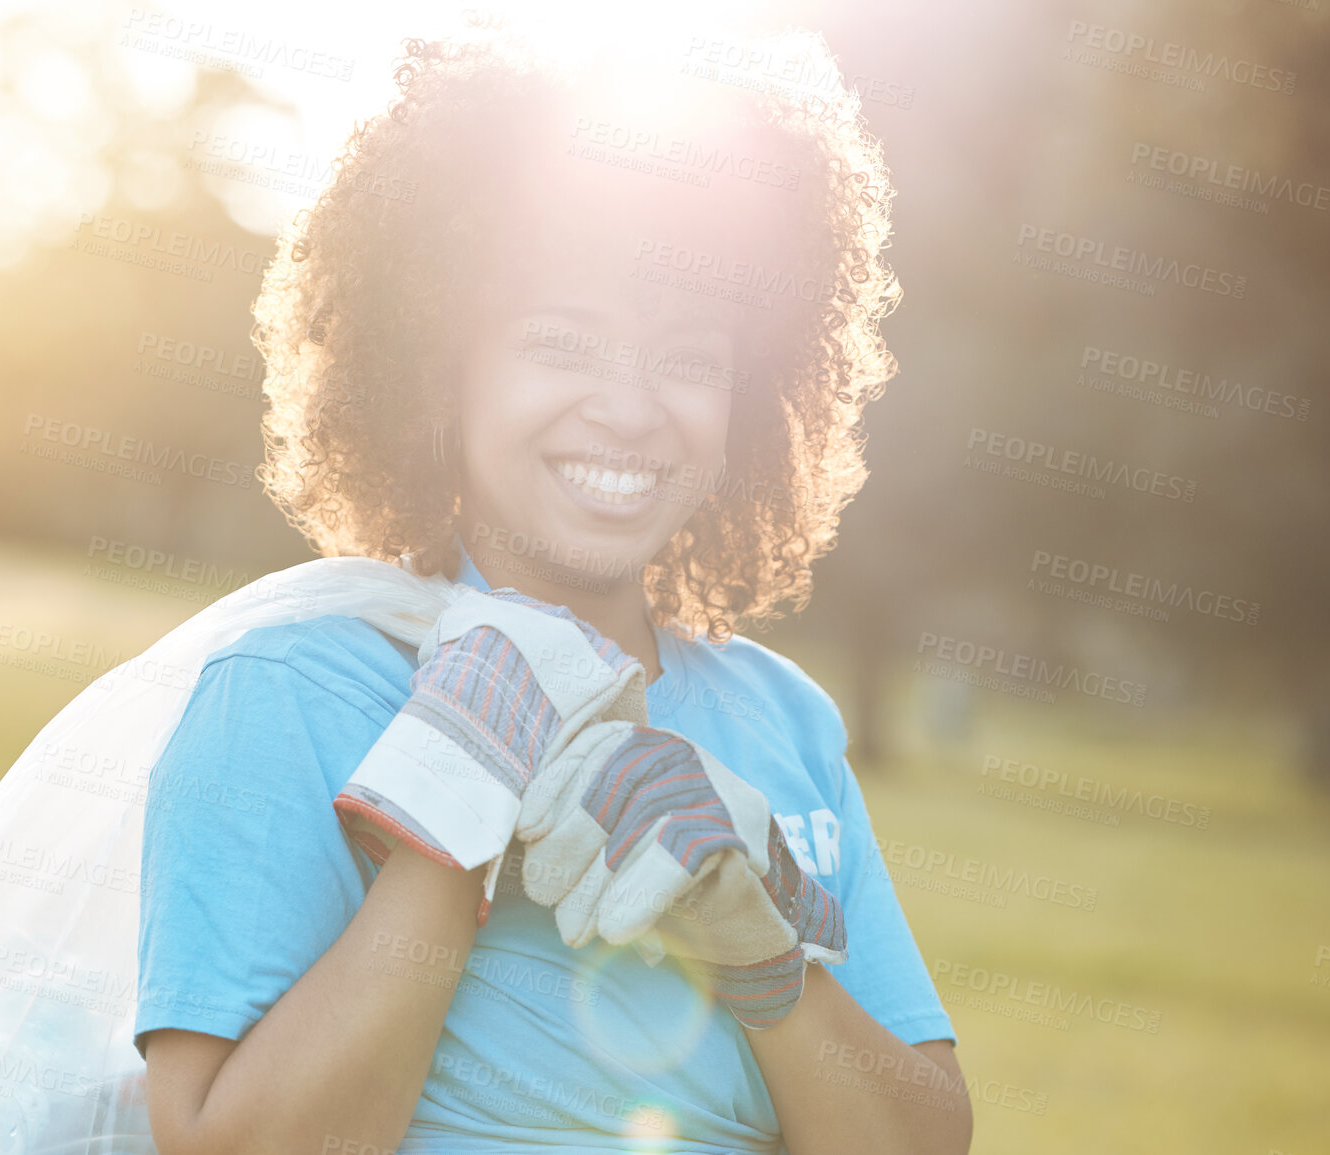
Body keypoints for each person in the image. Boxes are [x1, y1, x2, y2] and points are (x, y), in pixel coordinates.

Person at [136, 21, 972, 1155]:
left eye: (689, 358)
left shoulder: (786, 722)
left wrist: (760, 953)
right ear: (444, 371)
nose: (631, 406)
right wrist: (452, 796)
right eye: (561, 343)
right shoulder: (291, 687)